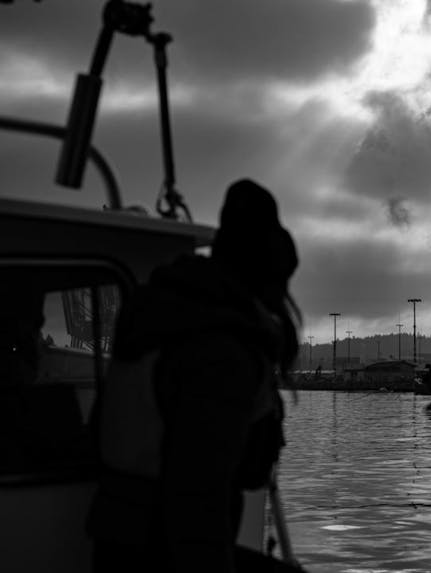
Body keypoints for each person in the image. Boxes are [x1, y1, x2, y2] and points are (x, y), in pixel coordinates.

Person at [87, 179, 305, 573]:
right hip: (164, 554)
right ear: (263, 277)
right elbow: (197, 505)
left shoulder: (158, 316)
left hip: (119, 548)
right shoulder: (219, 352)